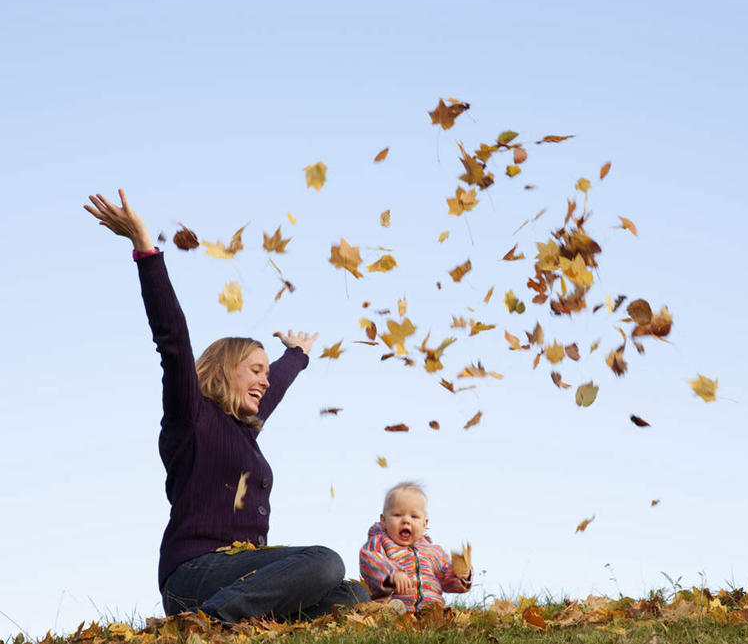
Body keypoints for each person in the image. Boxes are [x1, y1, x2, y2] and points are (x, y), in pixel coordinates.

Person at [84, 189, 368, 622]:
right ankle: (206, 623)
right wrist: (145, 249)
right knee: (326, 561)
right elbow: (173, 342)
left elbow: (277, 386)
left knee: (351, 595)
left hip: (242, 576)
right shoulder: (191, 414)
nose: (264, 379)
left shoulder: (244, 428)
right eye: (254, 369)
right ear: (224, 369)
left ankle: (241, 619)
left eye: (266, 372)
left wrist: (297, 356)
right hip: (195, 573)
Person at [359, 481, 471, 612]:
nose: (406, 520)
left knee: (440, 613)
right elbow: (370, 560)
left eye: (414, 516)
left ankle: (434, 614)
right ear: (384, 520)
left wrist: (461, 575)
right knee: (390, 608)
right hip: (395, 604)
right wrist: (392, 573)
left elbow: (446, 578)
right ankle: (392, 614)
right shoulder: (379, 542)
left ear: (424, 524)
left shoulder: (435, 552)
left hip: (430, 609)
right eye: (398, 515)